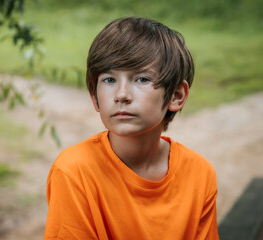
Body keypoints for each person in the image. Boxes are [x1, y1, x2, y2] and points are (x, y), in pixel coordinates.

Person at [44, 17, 219, 240]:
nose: (122, 95)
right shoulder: (73, 171)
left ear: (176, 95)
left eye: (142, 79)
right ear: (94, 97)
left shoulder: (199, 173)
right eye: (109, 80)